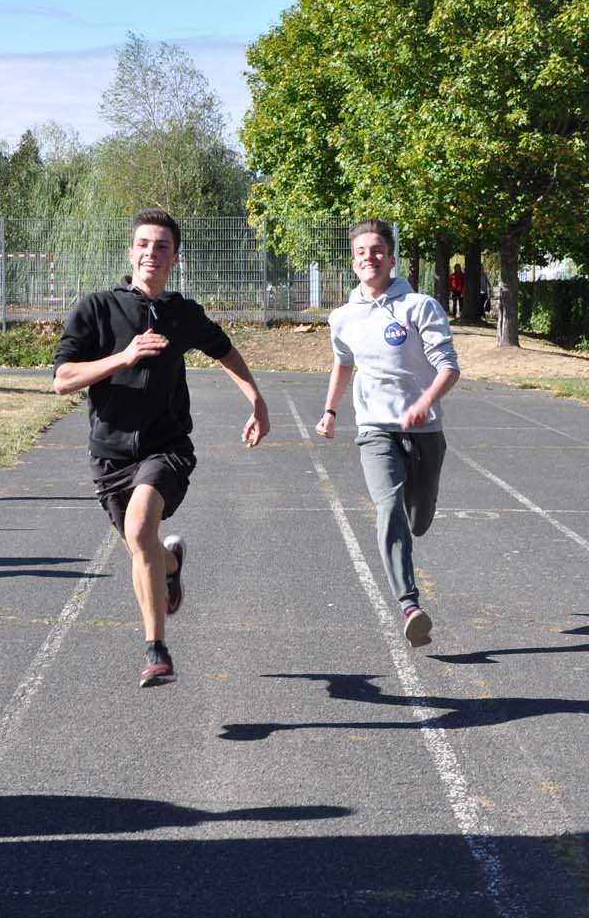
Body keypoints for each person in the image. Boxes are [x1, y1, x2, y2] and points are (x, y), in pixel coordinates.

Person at [53, 208, 270, 688]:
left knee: (139, 526)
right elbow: (62, 381)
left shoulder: (183, 315)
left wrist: (257, 401)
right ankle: (170, 567)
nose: (151, 253)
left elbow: (225, 350)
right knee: (141, 546)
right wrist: (123, 357)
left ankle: (156, 651)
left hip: (166, 448)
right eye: (144, 244)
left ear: (175, 257)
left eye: (162, 246)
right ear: (131, 252)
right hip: (109, 453)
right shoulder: (96, 308)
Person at [316, 219, 459, 649]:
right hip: (375, 429)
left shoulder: (419, 306)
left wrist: (425, 401)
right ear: (353, 260)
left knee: (418, 518)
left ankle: (422, 508)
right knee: (387, 505)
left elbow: (449, 368)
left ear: (392, 259)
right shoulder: (342, 317)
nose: (368, 257)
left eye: (377, 250)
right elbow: (343, 363)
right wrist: (329, 411)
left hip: (424, 430)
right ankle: (410, 606)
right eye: (360, 251)